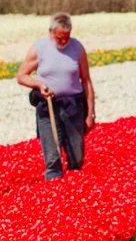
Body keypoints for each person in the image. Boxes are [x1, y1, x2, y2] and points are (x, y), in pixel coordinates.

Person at [18, 12, 96, 181]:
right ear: (50, 32)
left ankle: (75, 189)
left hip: (73, 106)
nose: (63, 41)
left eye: (66, 37)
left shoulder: (77, 48)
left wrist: (91, 114)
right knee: (53, 158)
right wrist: (39, 85)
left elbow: (86, 81)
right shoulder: (39, 48)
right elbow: (21, 76)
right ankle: (55, 189)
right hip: (49, 107)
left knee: (77, 156)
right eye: (59, 37)